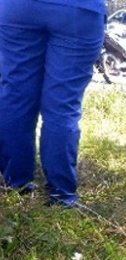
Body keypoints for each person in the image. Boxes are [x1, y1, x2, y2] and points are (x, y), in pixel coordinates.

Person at [0, 0, 105, 206]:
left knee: (15, 96)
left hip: (18, 8)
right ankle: (61, 193)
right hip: (79, 10)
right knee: (62, 106)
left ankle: (16, 183)